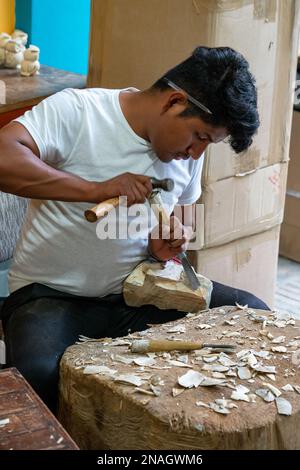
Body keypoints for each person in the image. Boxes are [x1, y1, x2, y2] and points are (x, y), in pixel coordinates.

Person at [0, 46, 268, 412]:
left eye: (209, 144)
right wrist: (95, 190)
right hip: (50, 295)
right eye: (200, 137)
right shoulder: (79, 111)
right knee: (37, 375)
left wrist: (170, 244)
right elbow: (4, 158)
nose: (196, 154)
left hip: (141, 292)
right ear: (175, 101)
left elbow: (182, 225)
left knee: (252, 315)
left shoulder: (185, 154)